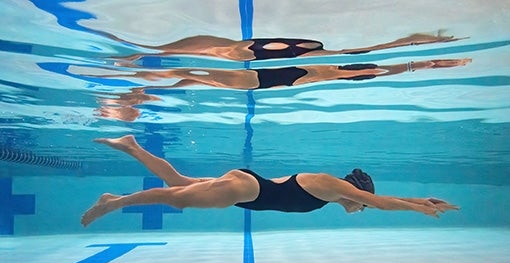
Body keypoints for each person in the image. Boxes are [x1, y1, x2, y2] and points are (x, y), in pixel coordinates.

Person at [81, 135, 459, 227]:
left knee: (179, 181)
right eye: (361, 201)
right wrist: (418, 208)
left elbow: (381, 198)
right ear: (357, 193)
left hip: (247, 190)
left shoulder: (333, 195)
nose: (360, 207)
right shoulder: (331, 186)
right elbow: (378, 202)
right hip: (245, 189)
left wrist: (421, 199)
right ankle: (114, 201)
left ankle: (131, 146)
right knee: (177, 198)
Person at [89, 58, 472, 90]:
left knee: (196, 78)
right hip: (262, 80)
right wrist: (421, 65)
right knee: (197, 76)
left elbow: (379, 71)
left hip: (269, 80)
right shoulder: (334, 71)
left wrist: (420, 65)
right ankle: (138, 75)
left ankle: (141, 79)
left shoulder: (334, 71)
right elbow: (381, 70)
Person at [107, 30, 468, 63]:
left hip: (303, 50)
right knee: (232, 52)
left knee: (231, 50)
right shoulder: (340, 59)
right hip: (303, 51)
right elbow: (378, 48)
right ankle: (146, 49)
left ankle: (146, 49)